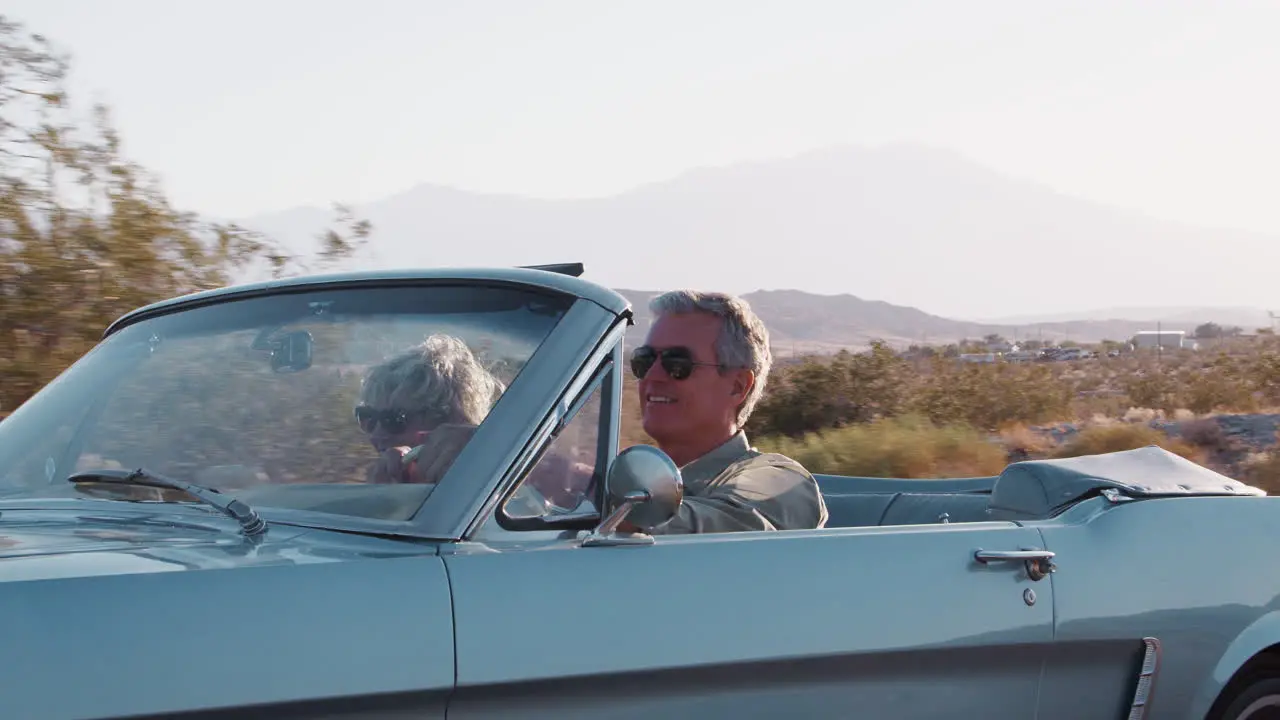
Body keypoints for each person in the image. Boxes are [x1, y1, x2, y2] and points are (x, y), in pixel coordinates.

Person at [626, 290, 828, 534]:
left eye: (677, 364)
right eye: (644, 360)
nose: (652, 376)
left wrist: (614, 509)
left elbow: (732, 531)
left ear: (737, 386)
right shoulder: (638, 482)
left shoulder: (782, 480)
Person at [355, 334, 504, 485]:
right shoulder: (391, 484)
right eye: (368, 417)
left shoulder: (494, 477)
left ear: (451, 419)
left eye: (395, 419)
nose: (376, 435)